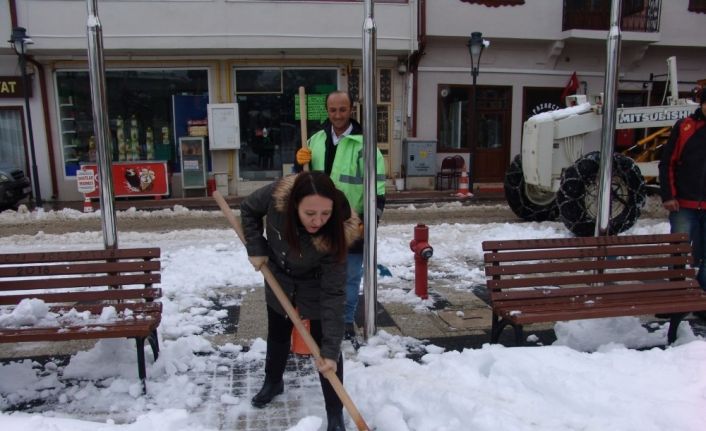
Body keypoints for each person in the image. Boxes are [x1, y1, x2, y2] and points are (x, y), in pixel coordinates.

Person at [240, 171, 361, 431]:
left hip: (315, 284)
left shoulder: (335, 234)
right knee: (278, 330)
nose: (318, 221)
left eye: (325, 214)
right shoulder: (275, 196)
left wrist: (329, 352)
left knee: (324, 345)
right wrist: (256, 246)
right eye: (310, 214)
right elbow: (248, 209)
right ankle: (273, 381)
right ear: (294, 203)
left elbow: (334, 295)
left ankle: (335, 413)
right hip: (278, 275)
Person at [295, 90, 386, 340]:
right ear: (327, 111)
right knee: (318, 274)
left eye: (342, 109)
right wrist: (297, 163)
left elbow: (377, 189)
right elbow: (303, 182)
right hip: (319, 221)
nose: (337, 115)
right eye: (333, 110)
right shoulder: (314, 140)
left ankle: (345, 323)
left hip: (352, 222)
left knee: (350, 276)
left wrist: (370, 221)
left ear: (351, 110)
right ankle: (320, 321)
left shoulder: (365, 145)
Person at [659, 87, 706, 318]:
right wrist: (668, 195)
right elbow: (667, 163)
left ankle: (701, 303)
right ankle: (674, 300)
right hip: (684, 206)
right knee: (680, 256)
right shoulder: (685, 127)